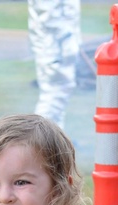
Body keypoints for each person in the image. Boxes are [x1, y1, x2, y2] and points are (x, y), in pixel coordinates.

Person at [28, 0, 81, 128]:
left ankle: (55, 138)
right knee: (55, 93)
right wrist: (69, 40)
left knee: (58, 92)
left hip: (56, 45)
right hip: (55, 47)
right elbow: (51, 16)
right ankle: (44, 140)